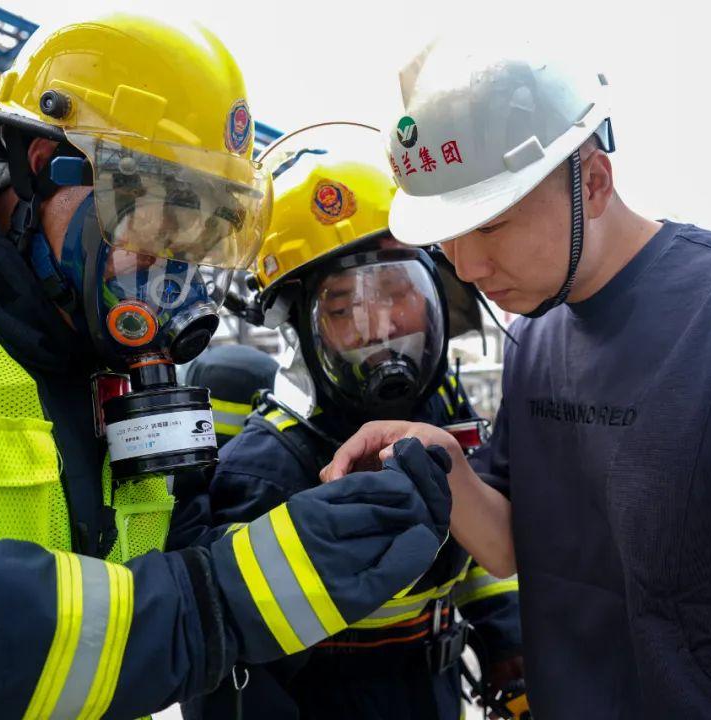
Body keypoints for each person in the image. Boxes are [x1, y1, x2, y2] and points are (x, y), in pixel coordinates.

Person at [0, 16, 454, 718]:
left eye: (206, 229)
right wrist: (216, 605)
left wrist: (312, 531)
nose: (175, 265)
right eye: (154, 213)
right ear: (41, 166)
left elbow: (176, 554)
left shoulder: (114, 371)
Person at [322, 34, 711, 718]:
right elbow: (518, 548)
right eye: (448, 238)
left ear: (593, 182)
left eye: (493, 227)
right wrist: (445, 463)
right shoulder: (538, 339)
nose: (467, 267)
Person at [195, 124, 524, 720]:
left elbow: (480, 554)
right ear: (300, 326)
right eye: (344, 308)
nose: (382, 329)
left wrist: (511, 652)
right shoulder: (269, 472)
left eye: (397, 291)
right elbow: (241, 678)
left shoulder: (446, 416)